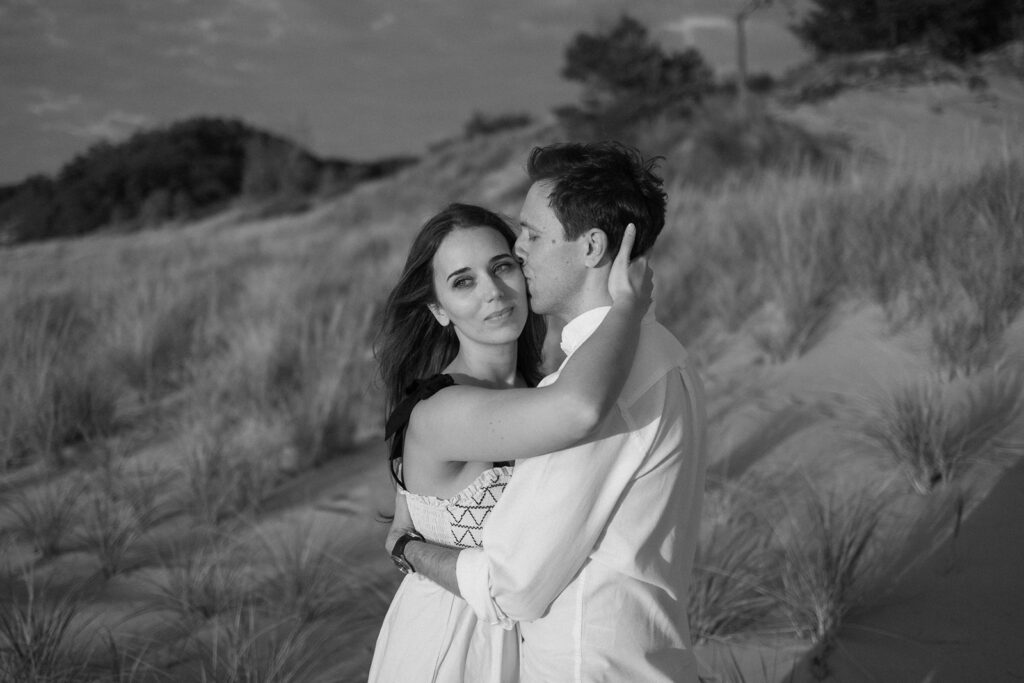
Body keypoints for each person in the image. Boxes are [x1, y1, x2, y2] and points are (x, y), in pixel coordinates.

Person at [386, 142, 708, 682]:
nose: (519, 251)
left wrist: (409, 548)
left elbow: (513, 585)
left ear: (590, 247)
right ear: (437, 308)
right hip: (454, 652)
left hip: (584, 663)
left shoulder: (594, 382)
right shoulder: (657, 357)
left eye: (525, 243)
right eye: (462, 281)